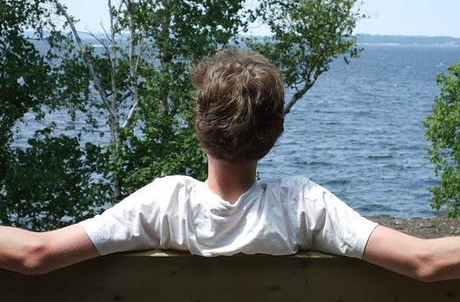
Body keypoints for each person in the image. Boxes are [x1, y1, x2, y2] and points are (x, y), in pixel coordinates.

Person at [0, 49, 459, 282]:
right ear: (275, 132)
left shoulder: (166, 204)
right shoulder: (301, 205)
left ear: (199, 125)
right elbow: (426, 261)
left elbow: (34, 256)